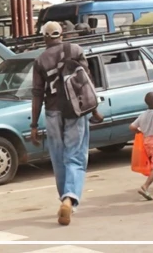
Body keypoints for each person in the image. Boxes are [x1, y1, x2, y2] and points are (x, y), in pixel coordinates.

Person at [29, 21, 101, 226]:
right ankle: (69, 198)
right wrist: (94, 109)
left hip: (52, 112)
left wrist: (34, 125)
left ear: (44, 37)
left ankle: (64, 198)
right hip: (76, 111)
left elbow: (37, 95)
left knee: (58, 158)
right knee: (76, 156)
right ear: (62, 35)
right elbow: (87, 82)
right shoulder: (75, 50)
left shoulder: (40, 60)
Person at [130, 92, 153, 200]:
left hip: (147, 143)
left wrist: (139, 131)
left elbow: (132, 127)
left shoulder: (143, 114)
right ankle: (144, 187)